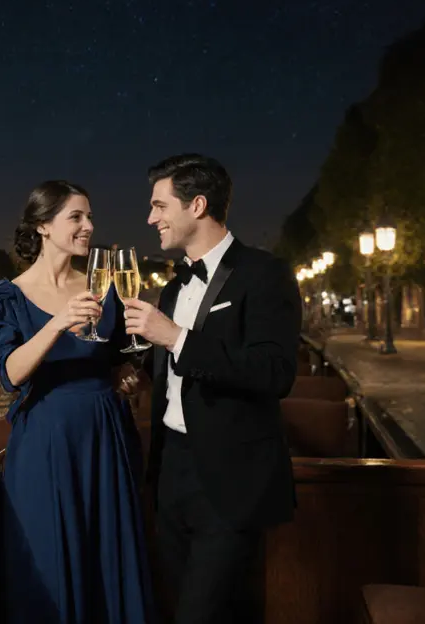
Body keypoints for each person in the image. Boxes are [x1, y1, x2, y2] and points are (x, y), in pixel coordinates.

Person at [122, 154, 300, 624]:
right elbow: (174, 371)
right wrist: (131, 371)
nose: (150, 218)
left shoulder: (265, 274)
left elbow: (274, 372)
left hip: (230, 481)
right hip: (170, 473)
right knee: (185, 605)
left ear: (197, 205)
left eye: (159, 206)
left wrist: (175, 337)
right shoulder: (176, 287)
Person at [0, 180, 153, 624]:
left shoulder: (106, 287)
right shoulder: (9, 296)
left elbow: (122, 362)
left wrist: (128, 376)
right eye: (76, 217)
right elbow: (9, 374)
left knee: (108, 559)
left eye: (90, 217)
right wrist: (58, 322)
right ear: (43, 225)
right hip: (45, 444)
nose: (88, 226)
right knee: (50, 562)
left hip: (106, 437)